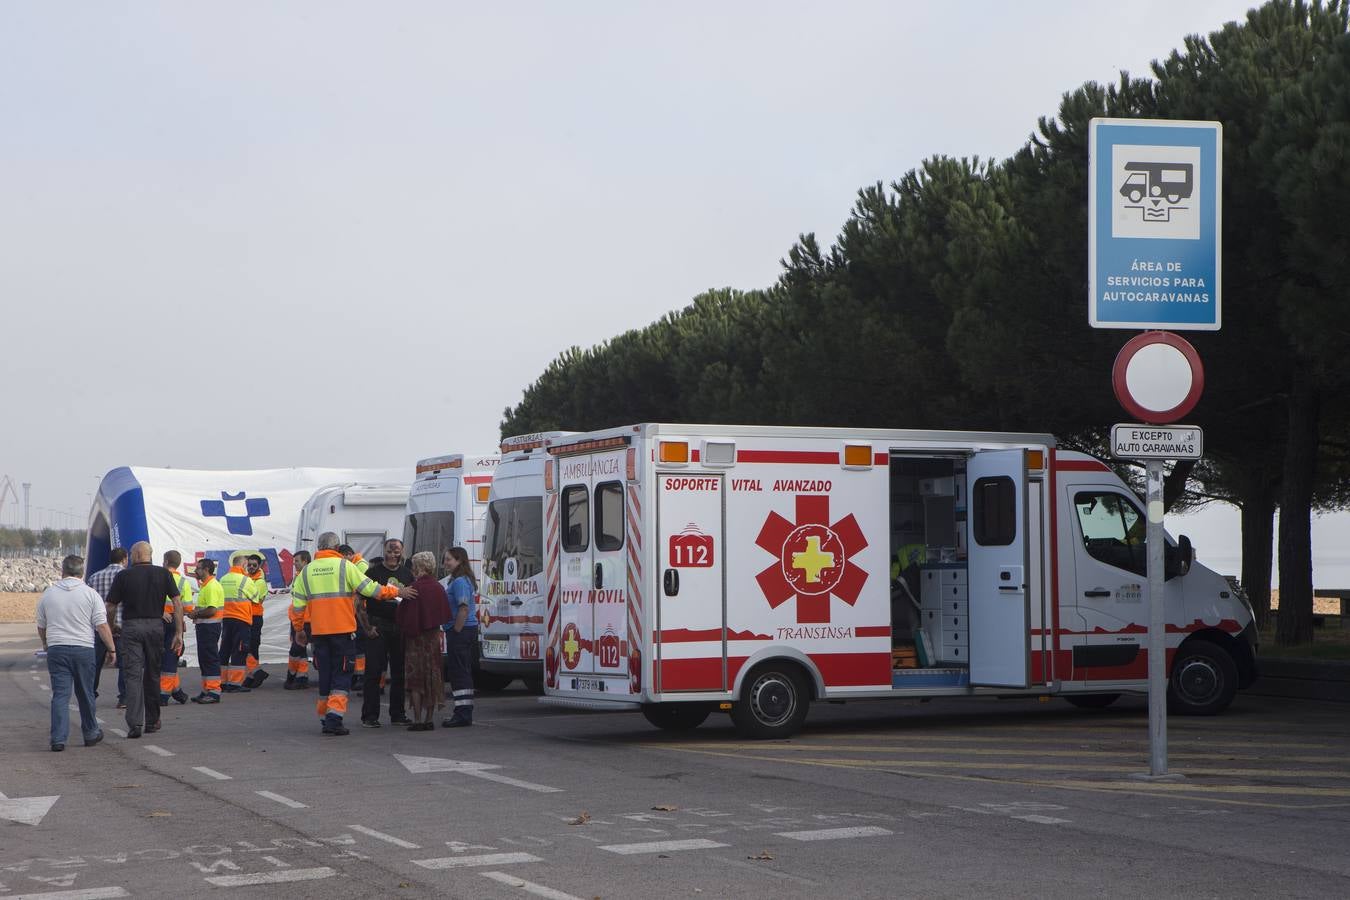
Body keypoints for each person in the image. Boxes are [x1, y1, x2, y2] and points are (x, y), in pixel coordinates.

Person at [289, 532, 411, 736]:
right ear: (337, 548)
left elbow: (298, 605)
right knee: (342, 675)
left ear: (319, 547)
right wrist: (397, 592)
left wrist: (300, 629)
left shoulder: (307, 571)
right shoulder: (346, 567)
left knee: (325, 675)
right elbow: (371, 590)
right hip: (342, 631)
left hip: (319, 633)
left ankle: (324, 715)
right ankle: (334, 719)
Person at [37, 555, 116, 751]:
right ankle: (90, 733)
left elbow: (41, 625)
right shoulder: (90, 594)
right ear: (82, 572)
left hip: (57, 649)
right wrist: (112, 648)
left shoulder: (48, 594)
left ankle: (58, 739)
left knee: (60, 695)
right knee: (85, 693)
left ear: (62, 571)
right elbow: (102, 625)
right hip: (83, 649)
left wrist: (46, 644)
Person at [105, 541, 182, 738]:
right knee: (153, 674)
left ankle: (134, 723)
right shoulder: (163, 574)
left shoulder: (124, 575)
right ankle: (153, 720)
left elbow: (111, 606)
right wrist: (178, 632)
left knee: (132, 675)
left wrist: (112, 626)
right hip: (156, 627)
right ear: (150, 554)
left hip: (131, 627)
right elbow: (176, 601)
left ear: (134, 555)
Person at [360, 538, 414, 728]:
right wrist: (367, 627)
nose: (393, 555)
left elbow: (414, 603)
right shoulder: (372, 573)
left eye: (396, 551)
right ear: (383, 551)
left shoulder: (408, 574)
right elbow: (359, 604)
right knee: (373, 672)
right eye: (389, 551)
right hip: (377, 628)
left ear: (402, 551)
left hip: (399, 629)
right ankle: (370, 716)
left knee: (399, 673)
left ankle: (398, 714)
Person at [396, 551, 451, 730]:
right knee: (432, 678)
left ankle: (418, 719)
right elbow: (444, 613)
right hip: (433, 639)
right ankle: (429, 719)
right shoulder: (438, 587)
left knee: (416, 681)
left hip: (416, 641)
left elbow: (405, 617)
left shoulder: (415, 588)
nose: (412, 570)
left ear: (419, 567)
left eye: (413, 566)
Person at [441, 546, 478, 728]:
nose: (446, 563)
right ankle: (462, 711)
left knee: (459, 672)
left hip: (461, 631)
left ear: (459, 561)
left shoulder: (460, 582)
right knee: (461, 670)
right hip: (464, 630)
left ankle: (463, 714)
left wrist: (455, 630)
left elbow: (463, 608)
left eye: (449, 559)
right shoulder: (459, 580)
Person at [87, 546, 127, 704]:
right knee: (124, 664)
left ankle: (90, 694)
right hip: (121, 626)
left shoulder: (94, 577)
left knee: (95, 663)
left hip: (100, 627)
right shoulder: (126, 575)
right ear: (124, 559)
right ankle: (123, 697)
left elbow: (88, 602)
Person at [158, 550, 194, 706]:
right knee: (171, 657)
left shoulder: (158, 577)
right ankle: (176, 691)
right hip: (175, 622)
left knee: (165, 659)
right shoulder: (183, 582)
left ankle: (164, 694)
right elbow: (187, 607)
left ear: (165, 562)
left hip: (159, 620)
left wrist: (161, 611)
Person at [217, 552, 256, 693]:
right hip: (242, 619)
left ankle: (221, 682)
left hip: (226, 619)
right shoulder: (246, 580)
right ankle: (235, 683)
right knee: (239, 650)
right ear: (244, 565)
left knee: (225, 650)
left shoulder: (223, 579)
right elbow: (255, 598)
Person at [189, 558, 224, 703]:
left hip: (209, 627)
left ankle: (214, 691)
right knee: (204, 659)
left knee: (210, 658)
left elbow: (211, 610)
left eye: (198, 568)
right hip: (205, 627)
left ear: (207, 570)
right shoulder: (206, 585)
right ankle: (206, 690)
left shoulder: (211, 586)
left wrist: (195, 614)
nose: (196, 571)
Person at [338, 544, 371, 690]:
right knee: (357, 645)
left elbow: (357, 587)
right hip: (355, 610)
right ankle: (358, 674)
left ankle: (361, 675)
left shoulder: (360, 565)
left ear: (348, 554)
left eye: (342, 557)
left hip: (361, 610)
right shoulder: (355, 564)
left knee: (360, 645)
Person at [284, 550, 313, 690]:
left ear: (305, 562)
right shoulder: (298, 576)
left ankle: (291, 675)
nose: (294, 564)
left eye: (297, 561)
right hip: (298, 618)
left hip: (306, 619)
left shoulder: (308, 577)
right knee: (299, 650)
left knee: (296, 649)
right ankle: (302, 677)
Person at [243, 554, 270, 689]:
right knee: (248, 647)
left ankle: (254, 674)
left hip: (255, 617)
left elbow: (257, 600)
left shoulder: (260, 582)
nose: (251, 567)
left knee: (252, 646)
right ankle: (252, 674)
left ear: (259, 566)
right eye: (249, 565)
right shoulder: (246, 579)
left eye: (254, 565)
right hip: (246, 616)